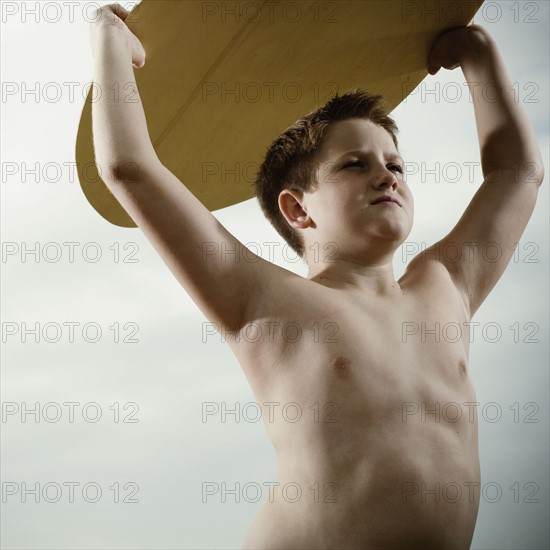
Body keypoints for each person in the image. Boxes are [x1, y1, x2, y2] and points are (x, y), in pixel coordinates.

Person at [89, 4, 544, 548]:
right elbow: (130, 169)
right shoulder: (266, 301)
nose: (386, 174)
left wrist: (480, 56)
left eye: (396, 164)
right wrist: (109, 44)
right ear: (298, 210)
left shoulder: (444, 287)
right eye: (355, 164)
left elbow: (517, 174)